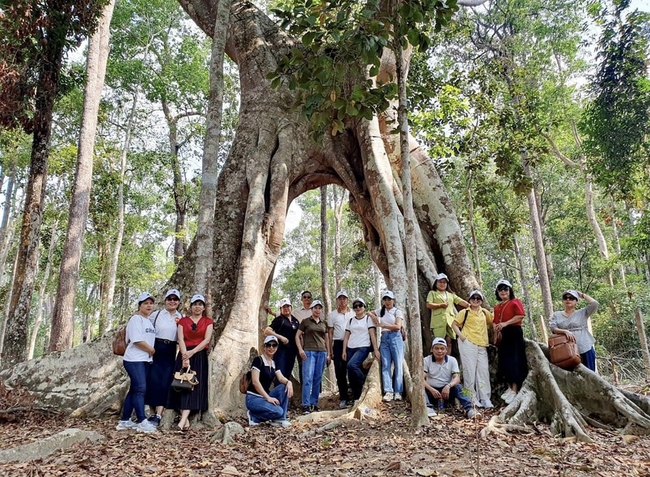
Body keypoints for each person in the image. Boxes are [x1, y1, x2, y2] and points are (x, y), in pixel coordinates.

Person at [168, 294, 214, 431]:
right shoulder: (183, 321)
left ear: (204, 307)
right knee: (181, 384)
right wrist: (185, 356)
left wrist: (191, 353)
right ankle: (184, 420)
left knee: (193, 386)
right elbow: (180, 339)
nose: (197, 307)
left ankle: (183, 421)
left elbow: (206, 340)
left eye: (200, 304)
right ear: (191, 306)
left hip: (198, 355)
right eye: (195, 304)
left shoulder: (208, 322)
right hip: (184, 354)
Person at [116, 292, 158, 433]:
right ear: (139, 305)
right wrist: (151, 350)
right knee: (140, 389)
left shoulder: (148, 321)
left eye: (151, 303)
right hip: (134, 359)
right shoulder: (136, 319)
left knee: (135, 389)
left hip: (144, 360)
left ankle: (124, 420)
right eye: (145, 303)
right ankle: (142, 421)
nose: (149, 305)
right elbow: (136, 339)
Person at [145, 288, 182, 426]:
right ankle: (149, 411)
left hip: (170, 349)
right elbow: (146, 327)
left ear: (178, 302)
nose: (172, 302)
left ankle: (159, 414)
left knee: (165, 380)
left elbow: (183, 337)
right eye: (170, 299)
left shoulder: (181, 318)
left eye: (175, 299)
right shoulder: (157, 314)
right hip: (155, 348)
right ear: (165, 301)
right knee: (152, 379)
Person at [452, 290, 494, 408]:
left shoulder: (484, 313)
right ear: (469, 300)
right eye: (473, 298)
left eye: (478, 298)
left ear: (481, 301)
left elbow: (493, 321)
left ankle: (485, 398)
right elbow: (454, 324)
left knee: (483, 371)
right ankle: (471, 398)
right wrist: (461, 336)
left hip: (482, 344)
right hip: (468, 343)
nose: (475, 300)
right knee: (469, 370)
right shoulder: (464, 312)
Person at [423, 338, 478, 419]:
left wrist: (448, 386)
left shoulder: (452, 360)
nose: (439, 351)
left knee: (458, 387)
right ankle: (428, 407)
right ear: (432, 349)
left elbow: (457, 378)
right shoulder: (426, 360)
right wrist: (431, 389)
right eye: (436, 348)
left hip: (447, 391)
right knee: (419, 387)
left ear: (446, 350)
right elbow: (421, 378)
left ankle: (470, 410)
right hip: (431, 391)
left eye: (442, 348)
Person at [493, 279, 528, 404]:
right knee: (504, 361)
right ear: (497, 292)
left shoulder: (515, 302)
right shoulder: (497, 307)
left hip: (513, 333)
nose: (503, 292)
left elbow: (520, 315)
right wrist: (495, 327)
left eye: (505, 289)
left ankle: (515, 389)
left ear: (510, 290)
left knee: (514, 361)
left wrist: (505, 323)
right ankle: (509, 387)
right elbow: (495, 320)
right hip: (503, 336)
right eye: (500, 289)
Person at [246, 335, 293, 427]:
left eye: (274, 345)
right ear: (264, 347)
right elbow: (255, 382)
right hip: (253, 398)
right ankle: (254, 416)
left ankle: (280, 419)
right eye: (269, 345)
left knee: (283, 387)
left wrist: (289, 382)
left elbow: (280, 378)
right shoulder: (258, 360)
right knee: (278, 411)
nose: (271, 348)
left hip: (265, 397)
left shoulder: (274, 363)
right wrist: (268, 398)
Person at [549, 290, 599, 372]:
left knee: (589, 373)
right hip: (566, 350)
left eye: (571, 298)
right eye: (565, 298)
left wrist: (582, 295)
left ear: (576, 302)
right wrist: (565, 331)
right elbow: (553, 328)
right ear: (563, 301)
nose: (568, 300)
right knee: (571, 376)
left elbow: (595, 304)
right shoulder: (557, 315)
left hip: (584, 347)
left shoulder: (582, 313)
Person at [342, 297, 380, 404]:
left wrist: (376, 350)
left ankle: (365, 380)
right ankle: (356, 397)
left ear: (364, 307)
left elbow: (372, 335)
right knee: (351, 374)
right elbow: (346, 336)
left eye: (360, 306)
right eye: (355, 306)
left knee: (351, 365)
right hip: (351, 347)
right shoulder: (351, 321)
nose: (358, 308)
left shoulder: (368, 319)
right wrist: (344, 351)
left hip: (363, 347)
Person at [369, 290, 405, 402]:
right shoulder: (382, 311)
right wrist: (374, 317)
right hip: (384, 338)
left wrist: (382, 325)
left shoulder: (397, 311)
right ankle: (388, 391)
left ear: (393, 300)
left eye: (389, 299)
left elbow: (398, 326)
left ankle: (398, 391)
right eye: (385, 299)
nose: (387, 301)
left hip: (395, 337)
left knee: (398, 364)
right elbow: (369, 312)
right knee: (386, 364)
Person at [296, 299, 330, 413]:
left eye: (319, 308)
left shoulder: (323, 323)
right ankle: (305, 404)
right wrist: (300, 349)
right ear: (312, 309)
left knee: (317, 379)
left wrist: (329, 353)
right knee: (307, 378)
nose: (317, 310)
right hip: (309, 352)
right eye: (315, 307)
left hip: (321, 352)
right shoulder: (305, 322)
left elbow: (327, 339)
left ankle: (314, 403)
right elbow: (297, 336)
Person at [426, 273, 469, 353]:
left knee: (449, 341)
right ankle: (438, 360)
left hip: (450, 321)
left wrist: (470, 306)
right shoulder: (432, 293)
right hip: (438, 321)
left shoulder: (451, 295)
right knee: (438, 342)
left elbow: (460, 301)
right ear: (436, 283)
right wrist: (440, 305)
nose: (442, 284)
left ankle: (447, 359)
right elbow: (428, 304)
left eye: (444, 282)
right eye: (440, 282)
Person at [328, 290, 355, 408]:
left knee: (352, 369)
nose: (342, 301)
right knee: (340, 371)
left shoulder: (353, 313)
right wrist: (330, 350)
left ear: (347, 300)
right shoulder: (332, 315)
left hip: (352, 344)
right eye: (340, 298)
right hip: (338, 344)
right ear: (337, 300)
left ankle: (355, 396)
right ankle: (344, 397)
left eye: (344, 298)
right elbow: (330, 333)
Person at [264, 298, 300, 381]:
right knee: (280, 375)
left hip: (292, 352)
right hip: (281, 352)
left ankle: (284, 393)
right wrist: (280, 337)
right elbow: (267, 331)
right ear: (281, 309)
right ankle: (278, 393)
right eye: (284, 307)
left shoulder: (296, 321)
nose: (286, 308)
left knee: (287, 375)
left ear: (291, 307)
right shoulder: (279, 320)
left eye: (288, 306)